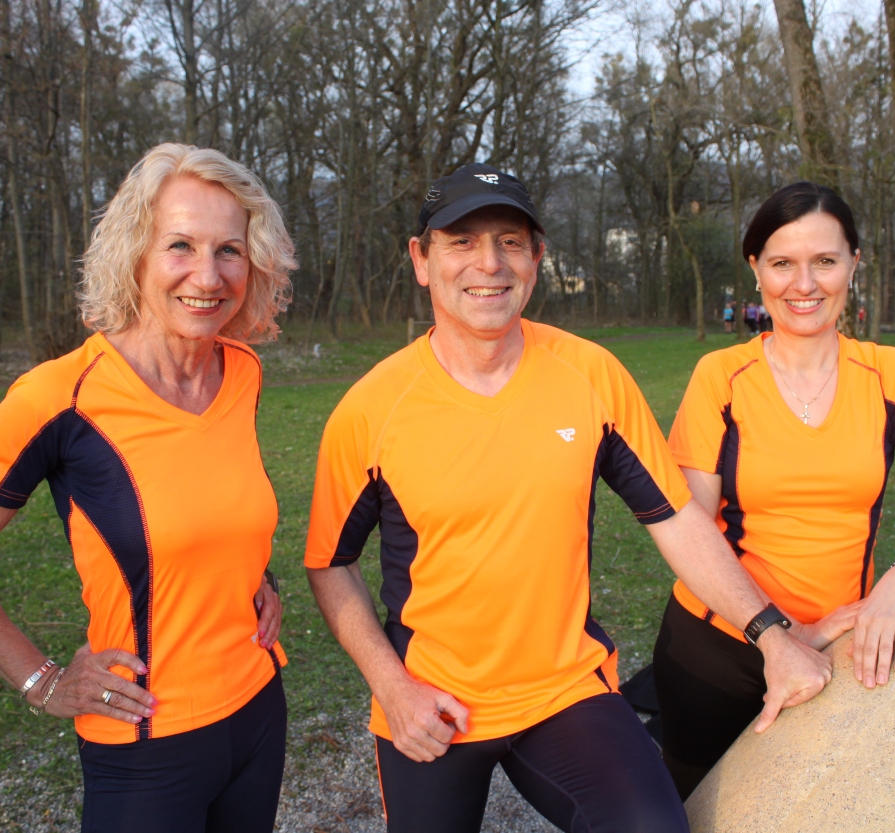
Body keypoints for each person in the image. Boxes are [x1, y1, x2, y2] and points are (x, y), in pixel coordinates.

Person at [304, 163, 832, 833]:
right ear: (421, 259)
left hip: (563, 692)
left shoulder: (590, 375)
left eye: (510, 241)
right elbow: (330, 563)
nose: (489, 263)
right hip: (431, 701)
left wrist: (772, 636)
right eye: (462, 241)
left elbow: (676, 517)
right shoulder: (371, 410)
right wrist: (391, 685)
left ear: (537, 257)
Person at [0, 144, 296, 833]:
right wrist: (43, 681)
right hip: (145, 742)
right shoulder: (59, 397)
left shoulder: (242, 370)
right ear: (135, 253)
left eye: (230, 251)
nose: (208, 275)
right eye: (180, 245)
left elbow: (213, 499)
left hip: (259, 709)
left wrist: (254, 574)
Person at [651, 181, 895, 799]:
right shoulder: (720, 377)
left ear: (854, 264)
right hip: (720, 644)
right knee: (696, 809)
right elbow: (690, 534)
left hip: (842, 643)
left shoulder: (892, 375)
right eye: (782, 263)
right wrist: (774, 634)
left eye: (825, 261)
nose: (803, 284)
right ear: (756, 269)